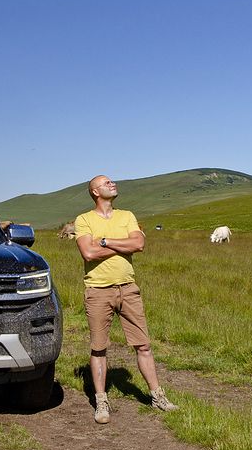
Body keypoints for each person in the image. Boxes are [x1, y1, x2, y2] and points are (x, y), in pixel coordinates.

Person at [74, 175, 178, 424]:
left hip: (129, 289)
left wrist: (106, 242)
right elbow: (88, 252)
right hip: (98, 290)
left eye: (112, 181)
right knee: (99, 348)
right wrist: (124, 246)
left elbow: (139, 243)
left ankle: (157, 396)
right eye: (106, 183)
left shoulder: (127, 216)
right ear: (95, 192)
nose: (112, 184)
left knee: (143, 345)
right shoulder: (84, 219)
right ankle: (101, 401)